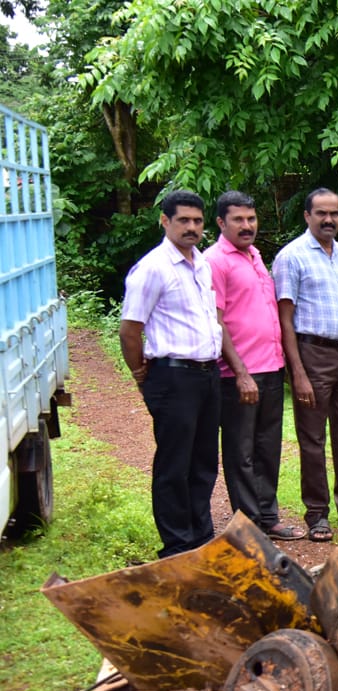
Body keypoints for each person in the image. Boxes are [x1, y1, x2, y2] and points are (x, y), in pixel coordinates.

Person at [119, 190, 223, 558]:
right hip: (173, 376)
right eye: (184, 220)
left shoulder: (202, 264)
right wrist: (139, 375)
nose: (192, 227)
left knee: (204, 461)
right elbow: (130, 329)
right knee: (174, 464)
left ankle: (201, 535)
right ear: (165, 221)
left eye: (197, 221)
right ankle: (177, 545)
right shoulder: (153, 268)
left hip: (207, 376)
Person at [275, 188, 338, 542]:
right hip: (313, 354)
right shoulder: (292, 257)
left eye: (334, 213)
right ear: (307, 216)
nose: (329, 219)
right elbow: (285, 321)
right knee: (313, 438)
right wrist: (298, 373)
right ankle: (317, 514)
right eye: (321, 213)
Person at [205, 191, 298, 541]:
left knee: (267, 447)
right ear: (221, 223)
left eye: (251, 219)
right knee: (241, 451)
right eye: (238, 220)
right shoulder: (215, 260)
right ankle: (248, 523)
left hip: (270, 368)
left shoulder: (254, 256)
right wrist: (240, 372)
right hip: (238, 373)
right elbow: (217, 321)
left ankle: (268, 516)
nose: (247, 226)